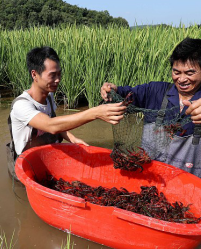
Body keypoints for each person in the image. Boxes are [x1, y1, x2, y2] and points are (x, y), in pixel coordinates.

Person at [101, 37, 201, 181]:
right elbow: (126, 94)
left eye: (190, 73)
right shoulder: (155, 91)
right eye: (176, 72)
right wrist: (112, 89)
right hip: (148, 179)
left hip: (189, 187)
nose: (182, 79)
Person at [7, 46, 127, 179]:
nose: (58, 79)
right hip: (27, 167)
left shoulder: (49, 96)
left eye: (59, 74)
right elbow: (51, 126)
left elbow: (58, 125)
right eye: (52, 75)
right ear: (34, 74)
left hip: (47, 159)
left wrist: (74, 140)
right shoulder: (21, 105)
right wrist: (94, 113)